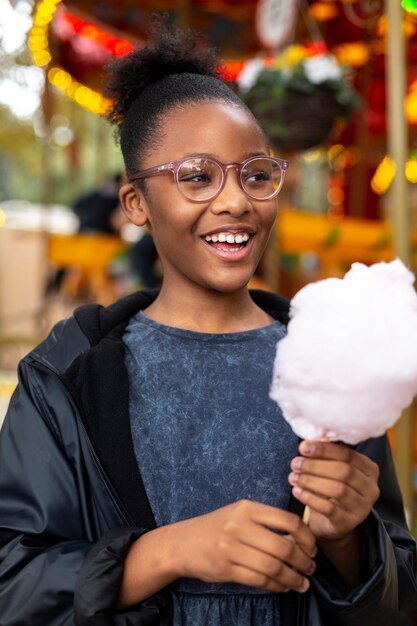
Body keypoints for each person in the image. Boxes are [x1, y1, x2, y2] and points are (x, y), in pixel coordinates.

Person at [0, 22, 416, 626]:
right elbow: (12, 580)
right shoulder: (68, 375)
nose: (235, 201)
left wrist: (349, 543)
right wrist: (168, 552)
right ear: (136, 204)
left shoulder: (328, 360)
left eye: (255, 174)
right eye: (197, 176)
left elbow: (398, 598)